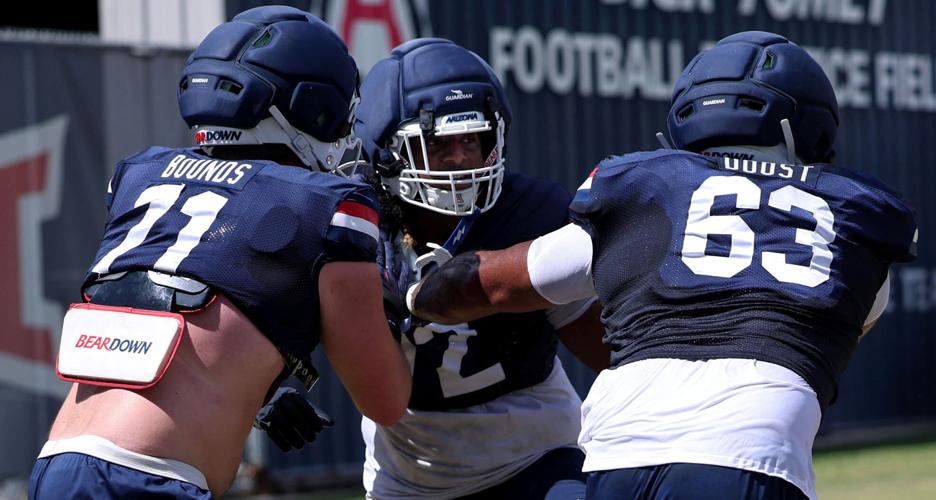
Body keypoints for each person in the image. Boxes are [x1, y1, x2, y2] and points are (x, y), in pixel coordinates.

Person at [406, 31, 918, 500]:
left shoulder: (643, 197)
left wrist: (416, 295)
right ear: (814, 126)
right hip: (753, 458)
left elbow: (485, 285)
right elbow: (827, 346)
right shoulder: (857, 221)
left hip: (619, 458)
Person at [29, 6, 410, 499]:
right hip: (153, 477)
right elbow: (386, 401)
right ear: (310, 106)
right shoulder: (325, 205)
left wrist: (250, 393)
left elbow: (169, 313)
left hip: (59, 462)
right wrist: (402, 301)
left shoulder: (140, 177)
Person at [259, 38, 607, 499]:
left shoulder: (532, 212)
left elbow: (607, 348)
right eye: (439, 143)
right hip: (408, 475)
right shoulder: (349, 221)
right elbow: (266, 316)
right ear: (386, 149)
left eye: (472, 139)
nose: (461, 158)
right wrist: (263, 389)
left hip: (535, 453)